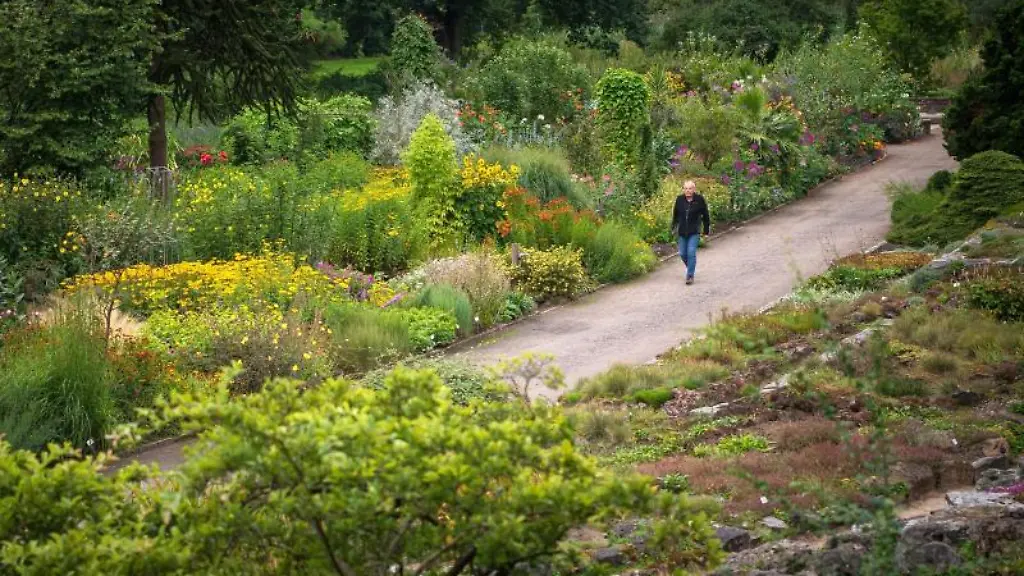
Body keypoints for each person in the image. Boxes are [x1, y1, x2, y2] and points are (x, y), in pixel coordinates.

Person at [670, 180, 711, 285]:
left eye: (690, 188)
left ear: (694, 189)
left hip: (694, 231)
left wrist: (706, 231)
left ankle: (690, 276)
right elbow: (675, 215)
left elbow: (706, 216)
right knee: (683, 253)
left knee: (691, 252)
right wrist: (673, 227)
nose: (688, 191)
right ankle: (691, 267)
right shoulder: (679, 199)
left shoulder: (699, 200)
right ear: (683, 189)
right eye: (686, 188)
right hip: (682, 231)